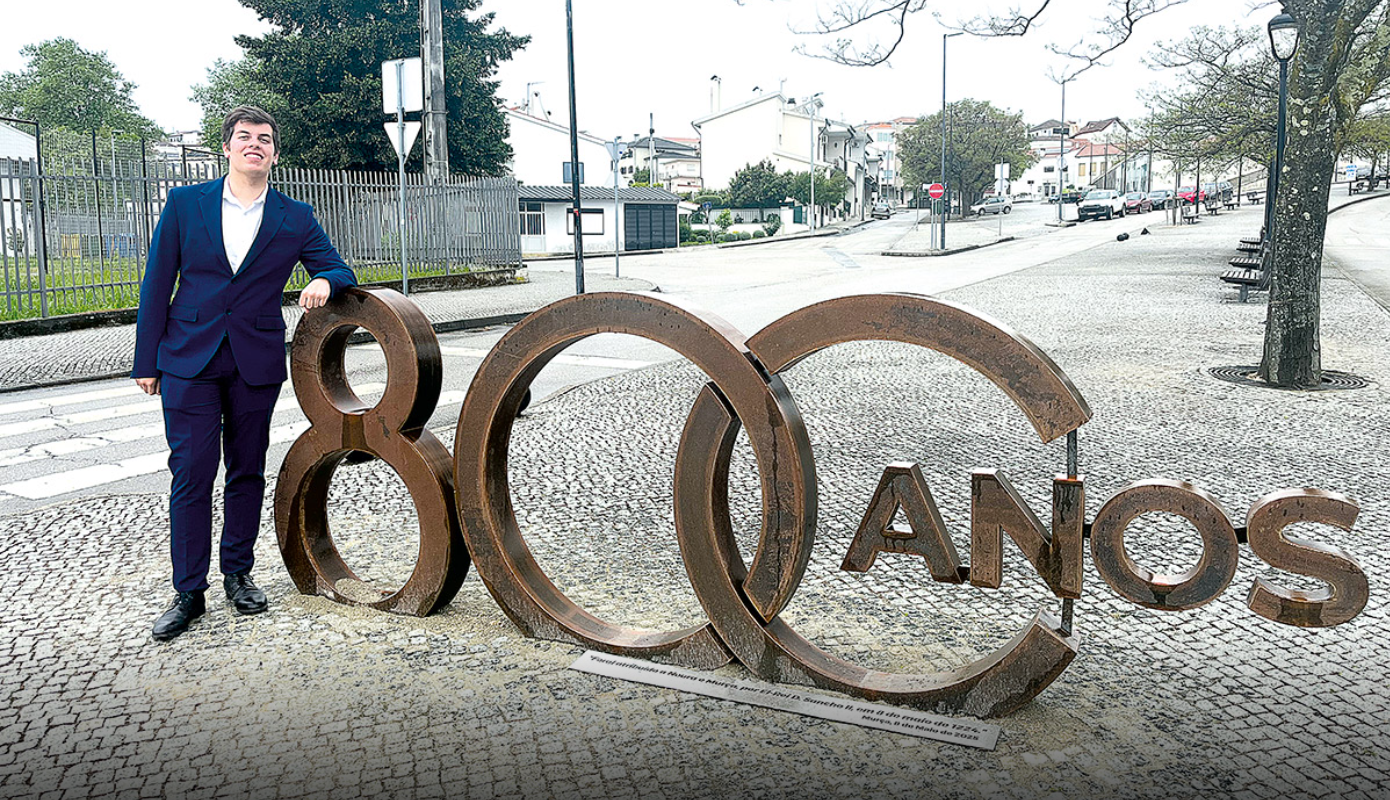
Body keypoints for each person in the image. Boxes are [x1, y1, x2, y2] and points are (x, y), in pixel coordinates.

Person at [132, 106, 356, 641]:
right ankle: (188, 591)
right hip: (188, 359)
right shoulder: (187, 204)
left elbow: (339, 266)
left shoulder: (294, 216)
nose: (254, 144)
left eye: (264, 139)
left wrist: (324, 279)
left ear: (274, 154)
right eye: (243, 137)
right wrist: (147, 361)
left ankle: (238, 574)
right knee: (191, 473)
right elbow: (156, 281)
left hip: (253, 361)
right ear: (227, 149)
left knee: (247, 470)